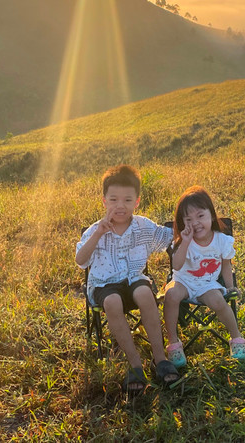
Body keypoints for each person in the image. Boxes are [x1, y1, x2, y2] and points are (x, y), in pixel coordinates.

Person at [76, 164, 180, 394]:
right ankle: (134, 365)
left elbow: (170, 238)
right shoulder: (95, 230)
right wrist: (98, 234)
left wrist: (197, 231)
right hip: (104, 284)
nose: (120, 206)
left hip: (134, 278)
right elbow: (81, 260)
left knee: (144, 292)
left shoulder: (143, 226)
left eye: (127, 200)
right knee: (112, 301)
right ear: (104, 201)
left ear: (137, 201)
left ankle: (160, 359)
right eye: (113, 200)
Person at [163, 186, 245, 367]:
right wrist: (185, 242)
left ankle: (236, 338)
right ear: (182, 222)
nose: (195, 223)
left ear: (211, 215)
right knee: (171, 295)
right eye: (188, 219)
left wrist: (230, 286)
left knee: (218, 300)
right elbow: (176, 266)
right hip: (183, 281)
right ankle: (173, 344)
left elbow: (226, 264)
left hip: (206, 283)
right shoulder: (183, 240)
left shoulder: (221, 240)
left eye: (200, 216)